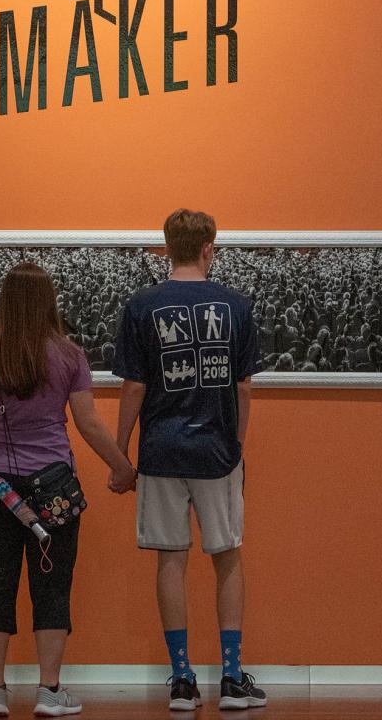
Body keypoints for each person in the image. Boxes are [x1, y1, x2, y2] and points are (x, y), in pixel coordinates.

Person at [0, 261, 137, 718]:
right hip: (55, 487)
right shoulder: (70, 356)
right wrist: (123, 468)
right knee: (53, 588)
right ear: (48, 303)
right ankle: (49, 691)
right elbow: (89, 424)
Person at [110, 209, 268, 711]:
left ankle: (181, 679)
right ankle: (231, 676)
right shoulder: (236, 304)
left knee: (171, 560)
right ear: (208, 248)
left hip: (160, 449)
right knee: (227, 557)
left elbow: (134, 385)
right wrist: (238, 446)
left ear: (166, 247)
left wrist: (120, 452)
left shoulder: (142, 304)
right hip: (218, 450)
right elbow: (243, 387)